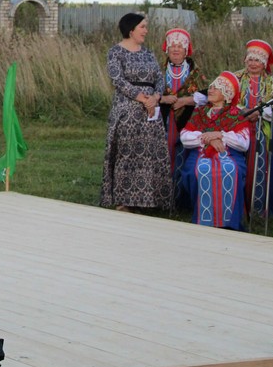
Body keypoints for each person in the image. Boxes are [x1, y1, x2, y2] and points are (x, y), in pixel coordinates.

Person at [99, 13, 172, 212]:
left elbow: (159, 78)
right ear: (131, 30)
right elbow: (118, 80)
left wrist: (155, 97)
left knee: (149, 154)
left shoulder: (148, 53)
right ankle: (124, 200)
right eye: (143, 27)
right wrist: (143, 99)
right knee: (127, 152)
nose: (146, 31)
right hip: (127, 108)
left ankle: (148, 199)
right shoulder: (115, 52)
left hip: (151, 110)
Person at [179, 72, 252, 230]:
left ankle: (229, 222)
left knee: (230, 169)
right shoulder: (200, 112)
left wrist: (221, 135)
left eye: (216, 88)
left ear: (226, 94)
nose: (210, 90)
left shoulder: (236, 114)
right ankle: (204, 218)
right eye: (210, 87)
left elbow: (244, 143)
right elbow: (184, 136)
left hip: (228, 153)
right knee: (199, 170)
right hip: (201, 152)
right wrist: (208, 138)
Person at [157, 28, 208, 207]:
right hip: (163, 120)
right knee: (163, 153)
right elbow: (150, 93)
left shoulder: (195, 72)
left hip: (188, 121)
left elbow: (207, 95)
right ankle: (162, 199)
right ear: (167, 49)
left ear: (186, 50)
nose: (176, 50)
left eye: (180, 46)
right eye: (173, 46)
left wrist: (184, 101)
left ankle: (181, 199)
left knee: (184, 154)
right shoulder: (159, 70)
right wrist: (164, 99)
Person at [233, 39, 273, 217]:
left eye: (257, 60)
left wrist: (260, 113)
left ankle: (260, 206)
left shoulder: (272, 81)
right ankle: (239, 204)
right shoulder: (236, 78)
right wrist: (245, 112)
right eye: (250, 60)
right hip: (239, 127)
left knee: (263, 166)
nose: (253, 64)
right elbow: (228, 99)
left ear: (264, 63)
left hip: (263, 129)